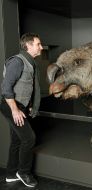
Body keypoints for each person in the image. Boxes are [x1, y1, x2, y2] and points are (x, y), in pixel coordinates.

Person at [0, 33, 43, 187]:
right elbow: (6, 89)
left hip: (20, 105)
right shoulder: (18, 61)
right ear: (28, 45)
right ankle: (24, 172)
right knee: (29, 138)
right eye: (38, 44)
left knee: (17, 140)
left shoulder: (31, 62)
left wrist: (28, 104)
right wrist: (15, 110)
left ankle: (11, 174)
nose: (41, 47)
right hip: (9, 105)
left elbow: (25, 86)